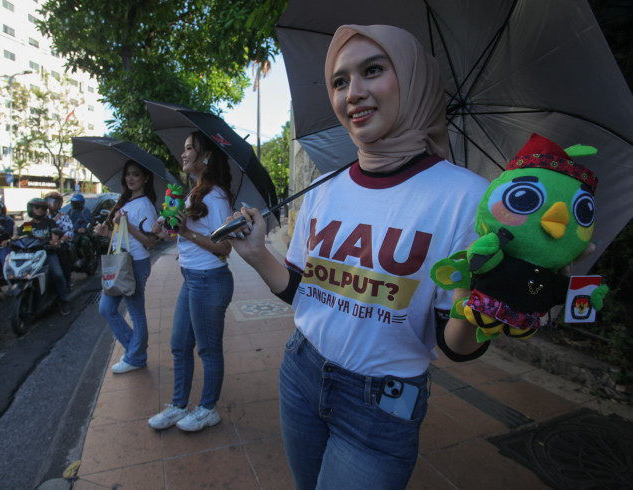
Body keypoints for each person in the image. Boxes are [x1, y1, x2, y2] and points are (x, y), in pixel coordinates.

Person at [228, 25, 490, 489]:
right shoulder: (326, 186)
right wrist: (255, 253)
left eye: (373, 70)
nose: (354, 92)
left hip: (382, 406)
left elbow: (455, 345)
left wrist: (485, 300)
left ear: (412, 80)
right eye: (340, 81)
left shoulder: (468, 198)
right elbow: (306, 291)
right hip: (300, 372)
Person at [147, 131, 234, 432]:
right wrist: (168, 231)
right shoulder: (194, 192)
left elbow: (225, 247)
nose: (183, 154)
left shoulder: (217, 196)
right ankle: (178, 404)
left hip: (210, 280)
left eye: (188, 149)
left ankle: (208, 408)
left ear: (205, 156)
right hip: (192, 279)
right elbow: (186, 236)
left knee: (208, 349)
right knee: (179, 345)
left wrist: (185, 233)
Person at [93, 162, 158, 374]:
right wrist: (106, 233)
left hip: (135, 263)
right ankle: (134, 350)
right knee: (106, 308)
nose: (131, 179)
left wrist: (127, 224)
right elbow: (122, 237)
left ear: (145, 178)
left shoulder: (145, 205)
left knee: (135, 312)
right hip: (121, 261)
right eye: (128, 175)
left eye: (136, 175)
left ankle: (136, 356)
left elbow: (151, 242)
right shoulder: (126, 201)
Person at [16, 197, 70, 315]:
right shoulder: (27, 224)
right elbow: (23, 237)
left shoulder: (49, 223)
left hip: (47, 254)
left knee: (58, 274)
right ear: (31, 209)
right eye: (37, 207)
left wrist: (54, 241)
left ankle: (64, 300)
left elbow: (55, 234)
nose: (40, 210)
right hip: (31, 256)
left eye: (43, 208)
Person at [44, 191, 74, 289]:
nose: (52, 204)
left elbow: (69, 232)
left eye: (54, 202)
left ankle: (67, 279)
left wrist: (60, 241)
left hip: (60, 244)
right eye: (49, 201)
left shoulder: (64, 216)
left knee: (62, 255)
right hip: (46, 244)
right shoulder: (44, 217)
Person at [69, 193, 94, 266]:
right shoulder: (71, 211)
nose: (75, 205)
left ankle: (89, 259)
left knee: (84, 242)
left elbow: (87, 220)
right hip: (73, 232)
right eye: (74, 203)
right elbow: (67, 220)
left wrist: (82, 228)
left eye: (77, 203)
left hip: (83, 233)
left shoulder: (85, 211)